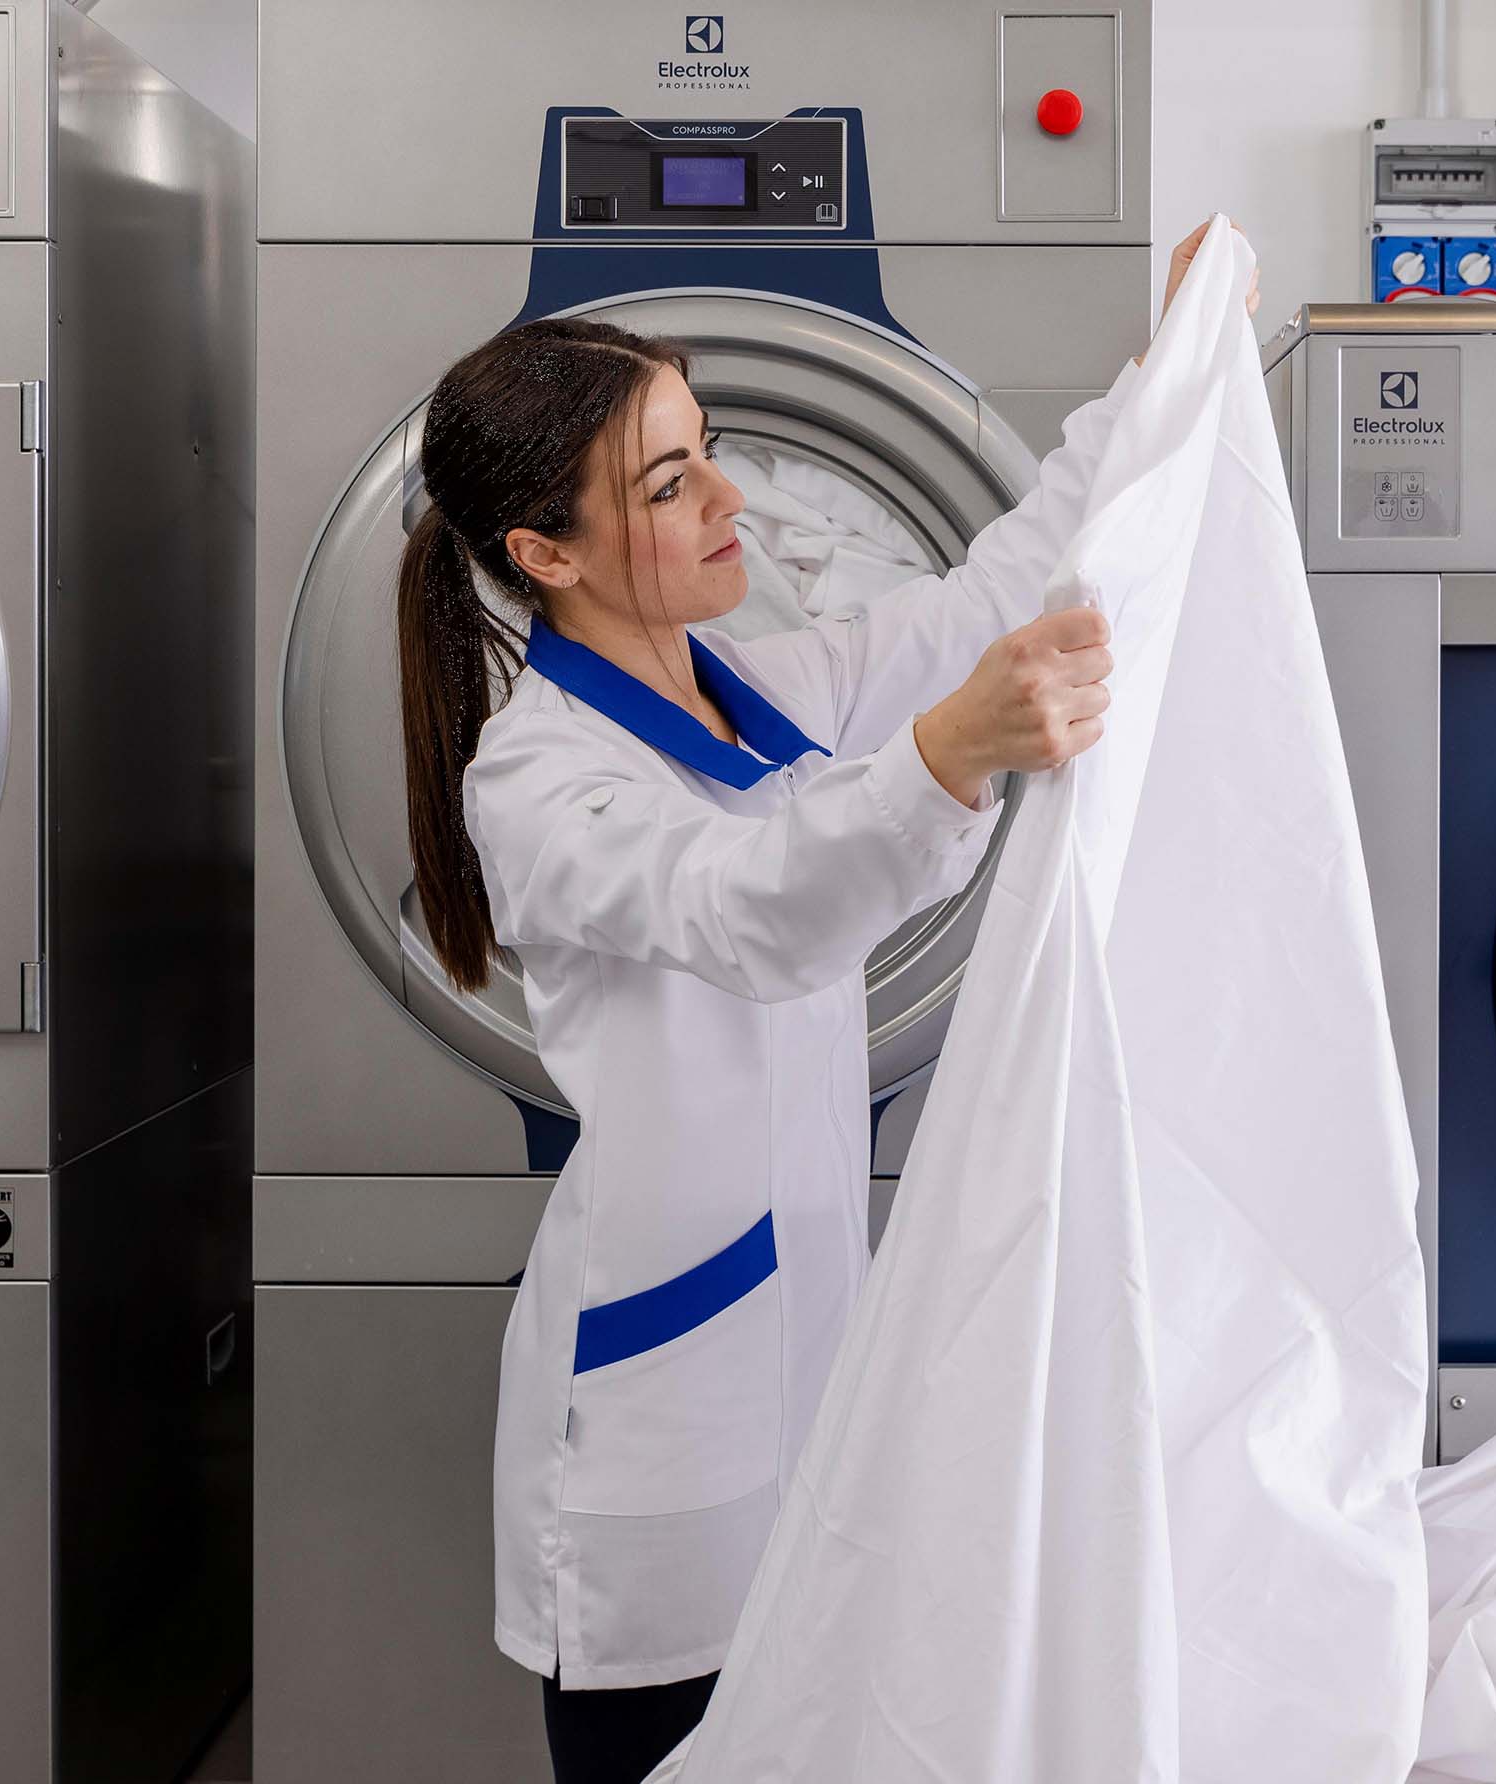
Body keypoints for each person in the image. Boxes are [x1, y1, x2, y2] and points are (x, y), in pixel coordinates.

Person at [396, 219, 1258, 1784]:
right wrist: (949, 756)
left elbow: (995, 588)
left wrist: (1154, 381)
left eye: (706, 450)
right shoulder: (534, 782)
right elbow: (752, 910)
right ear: (547, 556)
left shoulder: (760, 688)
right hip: (662, 1433)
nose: (733, 498)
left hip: (809, 1378)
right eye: (667, 485)